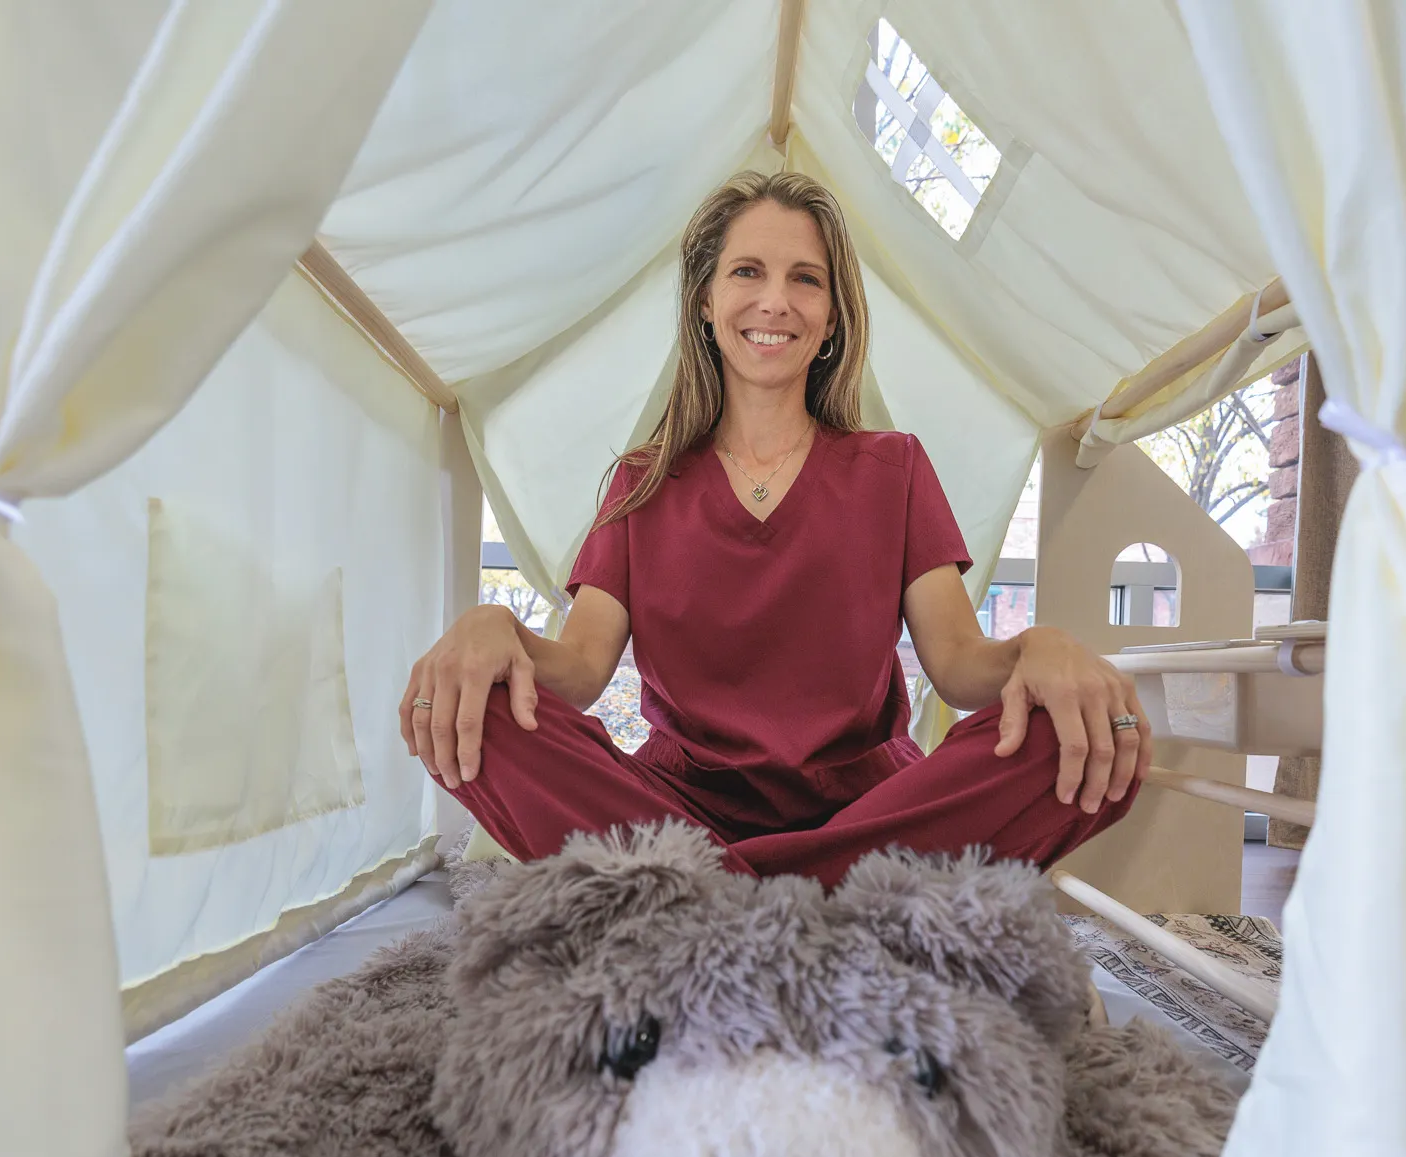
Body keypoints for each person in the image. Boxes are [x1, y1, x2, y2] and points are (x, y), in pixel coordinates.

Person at [400, 171, 1149, 888]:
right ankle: (817, 904)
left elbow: (958, 664)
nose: (775, 301)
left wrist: (1041, 648)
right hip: (677, 817)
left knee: (1083, 731)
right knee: (477, 714)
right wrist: (494, 628)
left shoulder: (894, 468)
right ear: (704, 300)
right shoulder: (643, 481)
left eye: (805, 279)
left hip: (866, 815)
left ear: (831, 314)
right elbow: (577, 672)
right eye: (747, 272)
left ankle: (711, 903)